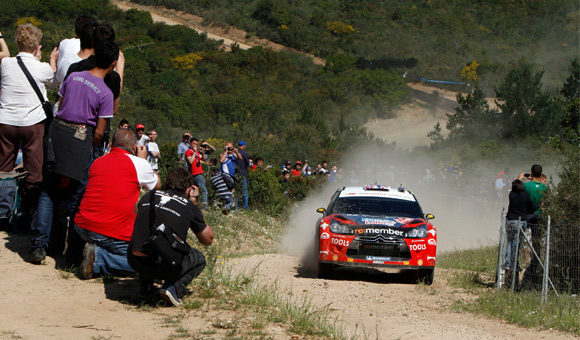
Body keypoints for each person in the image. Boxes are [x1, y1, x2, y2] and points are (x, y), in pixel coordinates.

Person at [28, 40, 118, 263]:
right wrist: (90, 147)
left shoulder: (72, 77)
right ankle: (71, 252)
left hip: (57, 132)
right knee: (78, 194)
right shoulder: (106, 93)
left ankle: (39, 246)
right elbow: (99, 132)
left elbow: (60, 103)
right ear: (114, 63)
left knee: (48, 190)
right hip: (81, 137)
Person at [74, 129, 161, 279]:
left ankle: (92, 253)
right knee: (149, 266)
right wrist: (144, 161)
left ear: (112, 144)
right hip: (110, 233)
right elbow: (157, 185)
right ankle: (99, 259)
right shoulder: (138, 163)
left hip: (82, 227)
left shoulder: (97, 161)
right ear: (134, 147)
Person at [128, 168, 214, 306]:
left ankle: (146, 288)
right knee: (199, 258)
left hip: (134, 261)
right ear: (188, 190)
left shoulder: (150, 195)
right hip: (163, 267)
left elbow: (135, 209)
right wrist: (194, 204)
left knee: (148, 238)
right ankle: (172, 288)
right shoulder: (189, 206)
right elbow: (208, 239)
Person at [0, 24, 57, 216]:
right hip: (33, 124)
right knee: (34, 171)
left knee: (3, 168)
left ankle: (3, 210)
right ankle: (27, 212)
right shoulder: (42, 68)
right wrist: (49, 60)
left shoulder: (6, 64)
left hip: (6, 122)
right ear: (37, 46)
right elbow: (55, 81)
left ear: (17, 43)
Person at [504, 179, 539, 277]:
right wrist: (539, 204)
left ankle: (508, 262)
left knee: (509, 242)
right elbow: (533, 207)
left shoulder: (511, 194)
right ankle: (514, 264)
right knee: (517, 243)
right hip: (520, 221)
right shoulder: (525, 195)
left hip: (510, 220)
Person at [55, 15, 95, 85]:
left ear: (76, 33)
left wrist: (52, 59)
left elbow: (59, 77)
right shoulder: (100, 50)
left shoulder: (64, 43)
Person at [185, 138, 208, 208]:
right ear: (190, 143)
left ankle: (195, 205)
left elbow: (202, 159)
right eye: (194, 143)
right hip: (195, 173)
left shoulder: (197, 153)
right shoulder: (188, 152)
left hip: (198, 172)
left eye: (197, 144)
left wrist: (202, 151)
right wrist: (194, 152)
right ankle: (204, 206)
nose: (195, 145)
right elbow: (191, 161)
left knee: (195, 191)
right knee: (203, 190)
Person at [235, 140, 250, 210]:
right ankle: (245, 207)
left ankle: (236, 206)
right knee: (244, 191)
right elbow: (248, 165)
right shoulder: (245, 154)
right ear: (244, 146)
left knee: (236, 191)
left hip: (235, 174)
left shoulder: (234, 152)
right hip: (243, 173)